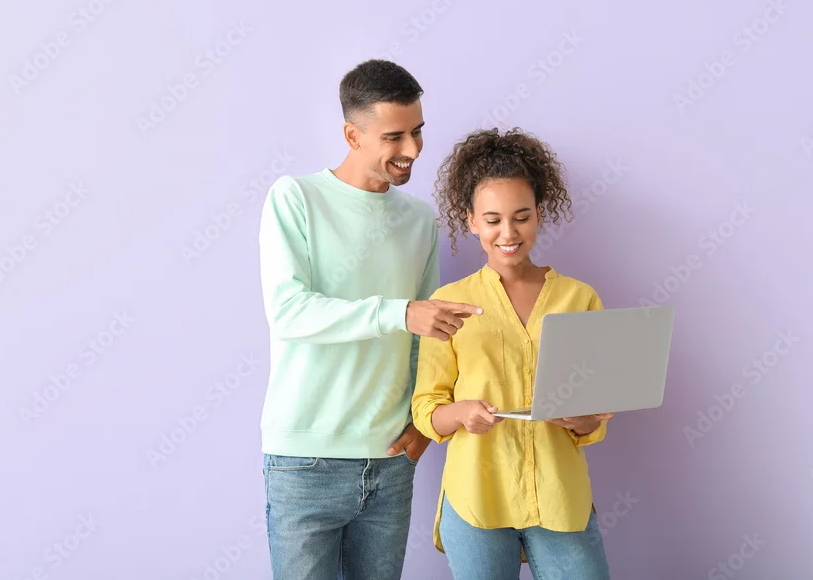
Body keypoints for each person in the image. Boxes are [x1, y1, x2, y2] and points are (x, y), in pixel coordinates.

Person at [257, 59, 483, 579]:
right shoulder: (296, 198)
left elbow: (428, 342)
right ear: (352, 135)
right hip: (304, 461)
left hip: (389, 461)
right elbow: (289, 312)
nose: (413, 150)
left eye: (418, 131)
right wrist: (399, 312)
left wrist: (423, 426)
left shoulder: (419, 220)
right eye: (394, 136)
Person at [411, 127, 614, 579]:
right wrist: (461, 413)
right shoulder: (449, 303)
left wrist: (581, 419)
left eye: (522, 217)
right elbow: (427, 410)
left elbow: (594, 420)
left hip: (559, 497)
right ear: (471, 221)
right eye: (493, 220)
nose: (508, 233)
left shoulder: (580, 299)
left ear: (540, 214)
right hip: (477, 497)